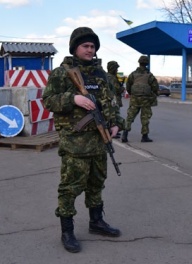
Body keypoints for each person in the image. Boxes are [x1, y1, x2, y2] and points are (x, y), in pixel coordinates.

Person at [42, 27, 125, 253]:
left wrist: (117, 123)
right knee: (70, 187)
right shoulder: (62, 73)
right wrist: (74, 98)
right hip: (75, 143)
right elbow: (47, 101)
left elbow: (111, 104)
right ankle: (67, 231)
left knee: (96, 183)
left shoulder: (102, 75)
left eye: (93, 46)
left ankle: (96, 222)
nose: (90, 50)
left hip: (99, 141)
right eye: (85, 46)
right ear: (75, 48)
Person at [122, 55, 159, 143]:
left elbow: (128, 86)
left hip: (135, 98)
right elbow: (155, 87)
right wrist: (154, 94)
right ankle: (144, 136)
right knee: (145, 117)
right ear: (147, 64)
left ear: (139, 63)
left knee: (130, 116)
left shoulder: (133, 74)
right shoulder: (149, 75)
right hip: (146, 99)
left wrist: (132, 94)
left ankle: (125, 134)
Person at [106, 61, 125, 138]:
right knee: (115, 115)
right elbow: (116, 89)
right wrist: (122, 88)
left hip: (109, 99)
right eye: (116, 69)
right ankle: (113, 130)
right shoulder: (112, 78)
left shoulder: (106, 76)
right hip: (113, 99)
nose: (117, 70)